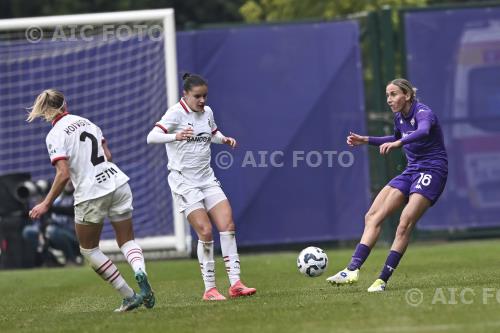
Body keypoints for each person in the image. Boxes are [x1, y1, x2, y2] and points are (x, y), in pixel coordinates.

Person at [27, 89, 155, 312]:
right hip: (117, 182)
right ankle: (140, 272)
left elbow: (63, 173)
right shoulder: (87, 122)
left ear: (46, 111)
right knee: (126, 241)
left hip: (91, 192)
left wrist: (46, 203)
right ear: (64, 103)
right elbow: (108, 156)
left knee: (89, 251)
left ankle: (129, 296)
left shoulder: (55, 134)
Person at [326, 78, 448, 292]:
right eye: (387, 95)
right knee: (372, 216)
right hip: (411, 170)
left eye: (393, 94)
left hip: (432, 170)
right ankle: (352, 270)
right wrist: (366, 140)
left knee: (404, 223)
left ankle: (381, 280)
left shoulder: (422, 112)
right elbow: (394, 136)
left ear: (407, 95)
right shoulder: (399, 117)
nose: (389, 100)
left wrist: (398, 143)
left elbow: (423, 131)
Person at [147, 73, 256, 301]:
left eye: (205, 95)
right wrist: (175, 136)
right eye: (197, 96)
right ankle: (210, 289)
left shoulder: (207, 112)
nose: (202, 100)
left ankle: (235, 283)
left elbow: (212, 132)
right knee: (205, 232)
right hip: (184, 182)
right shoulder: (175, 113)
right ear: (185, 95)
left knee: (228, 225)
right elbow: (152, 137)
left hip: (206, 178)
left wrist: (224, 139)